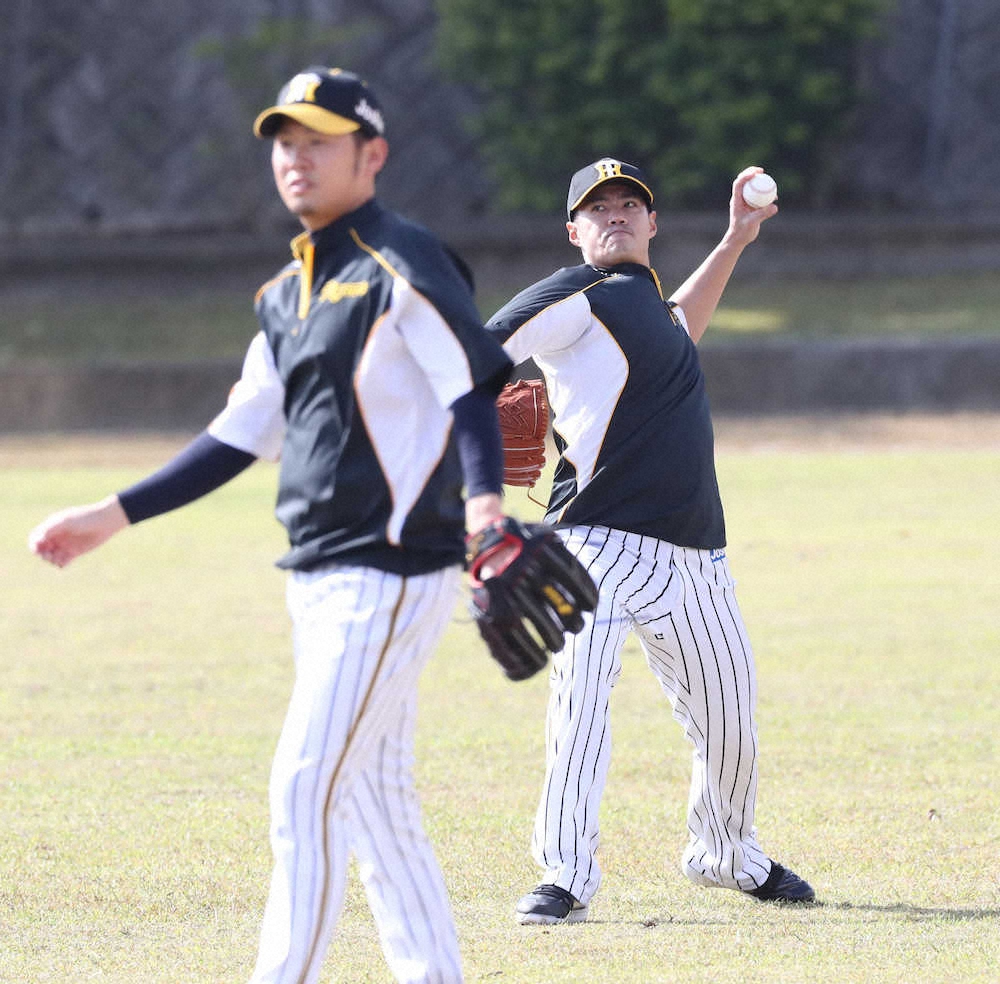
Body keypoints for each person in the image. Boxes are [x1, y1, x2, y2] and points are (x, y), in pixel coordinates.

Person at [28, 67, 516, 984]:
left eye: (318, 140)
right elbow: (241, 434)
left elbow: (471, 385)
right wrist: (112, 515)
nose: (295, 157)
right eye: (285, 142)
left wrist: (486, 505)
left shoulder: (403, 261)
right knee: (374, 801)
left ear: (372, 155)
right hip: (319, 575)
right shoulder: (285, 295)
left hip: (391, 571)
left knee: (305, 788)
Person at [485, 158, 815, 925]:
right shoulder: (574, 295)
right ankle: (564, 873)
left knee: (730, 719)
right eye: (597, 208)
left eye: (629, 203)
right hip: (593, 542)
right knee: (581, 698)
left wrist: (734, 239)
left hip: (696, 553)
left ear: (653, 223)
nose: (616, 215)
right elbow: (478, 350)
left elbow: (681, 327)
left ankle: (727, 854)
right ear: (575, 231)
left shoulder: (650, 308)